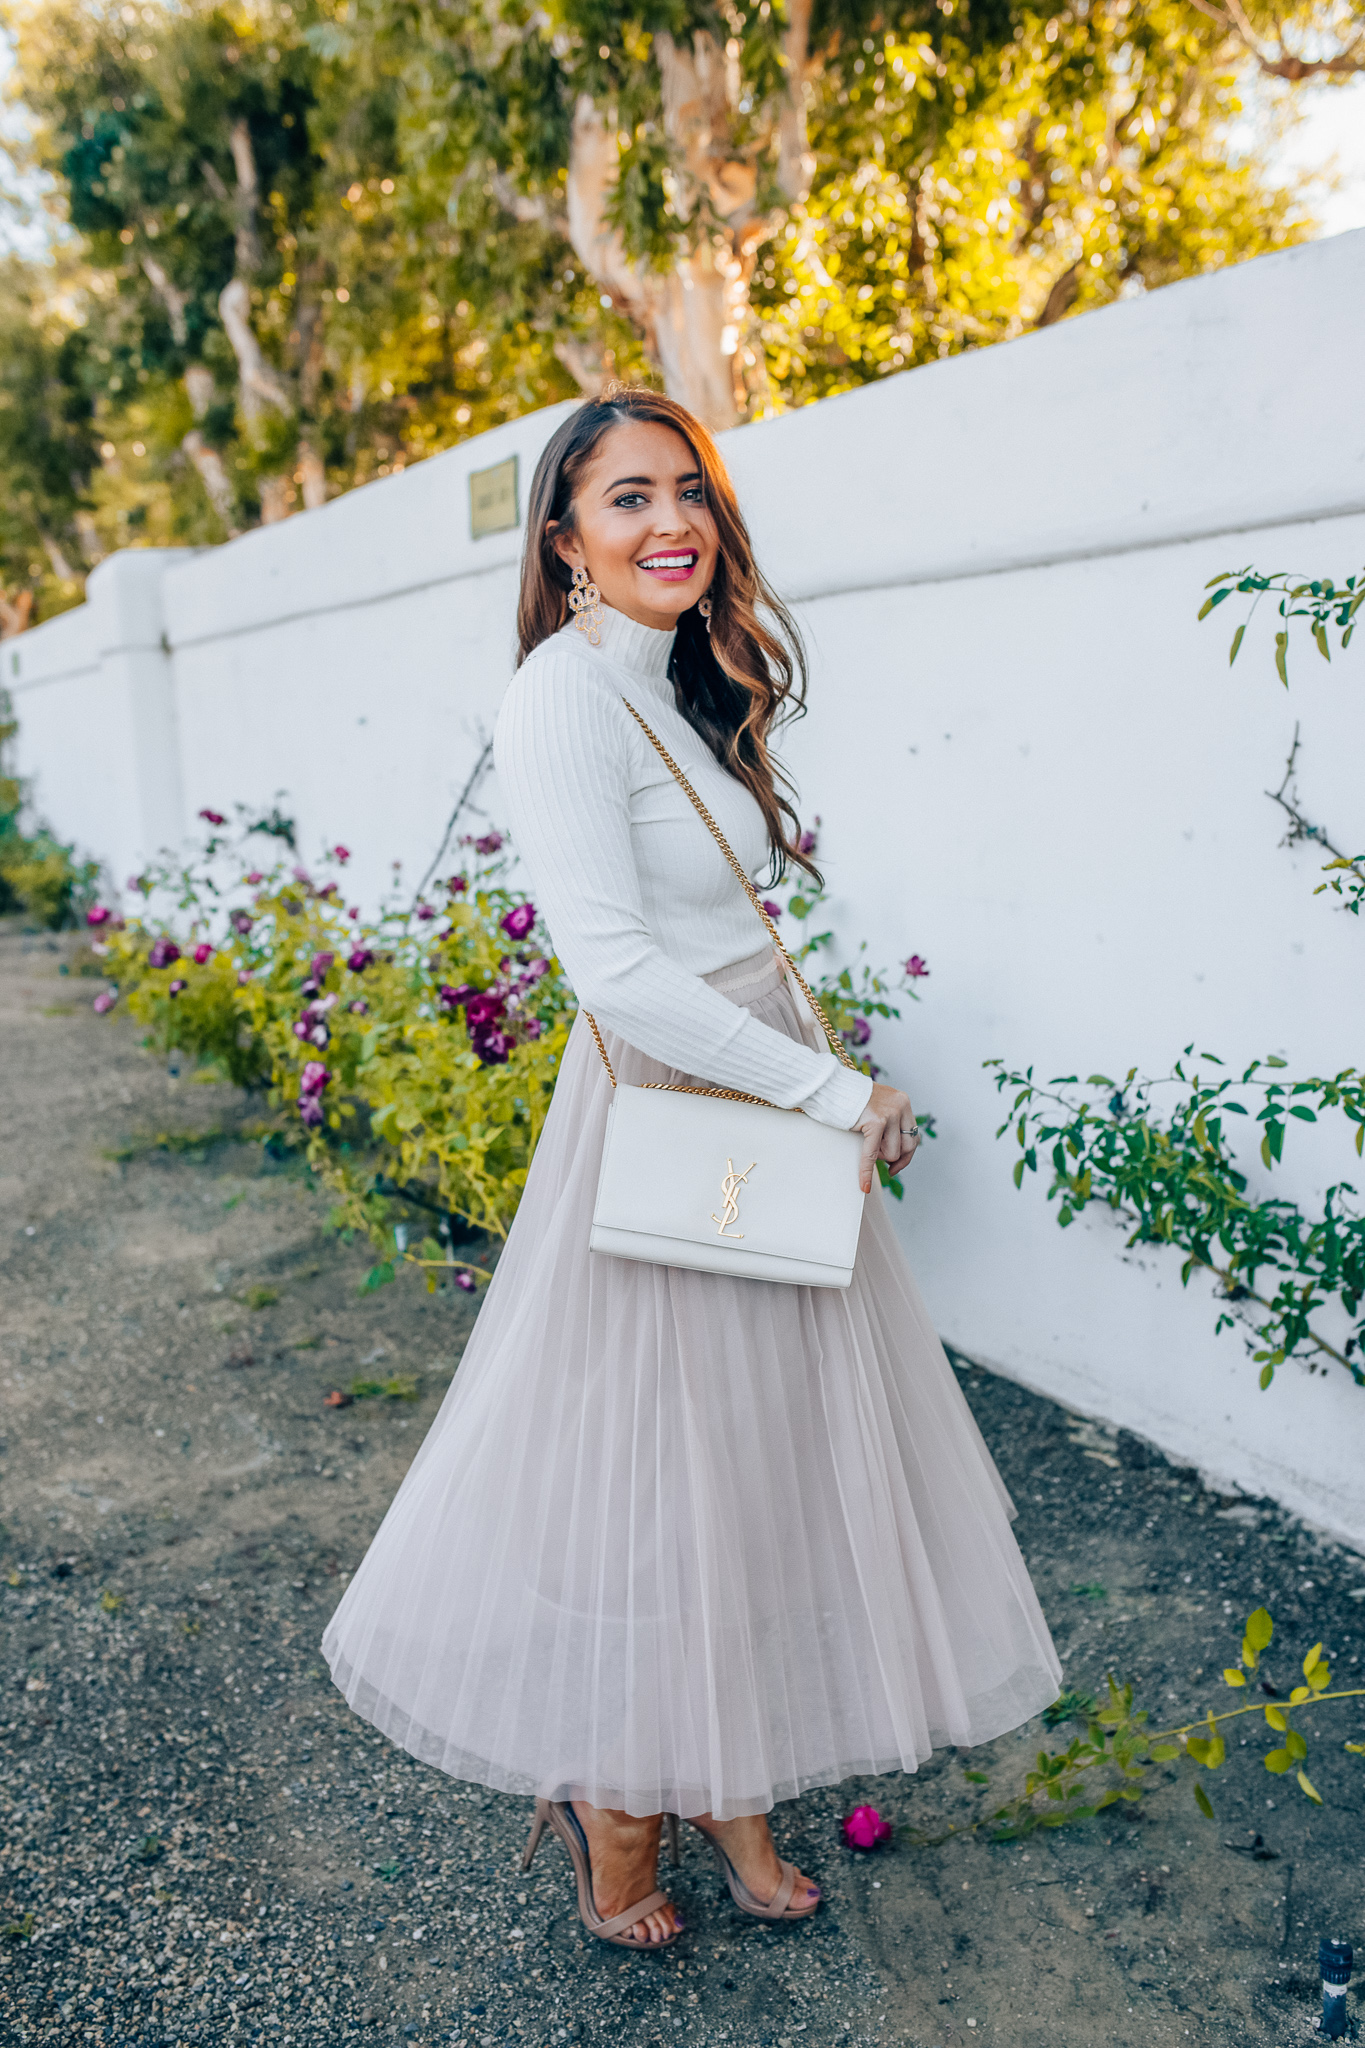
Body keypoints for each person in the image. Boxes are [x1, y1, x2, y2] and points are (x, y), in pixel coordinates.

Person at [323, 387, 1060, 1953]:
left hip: (759, 1095)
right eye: (627, 501)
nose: (671, 524)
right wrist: (830, 1088)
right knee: (663, 1479)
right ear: (565, 542)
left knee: (759, 1462)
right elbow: (615, 970)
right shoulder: (561, 697)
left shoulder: (679, 678)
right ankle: (622, 1799)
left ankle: (726, 1778)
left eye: (690, 494)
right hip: (679, 1107)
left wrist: (812, 1082)